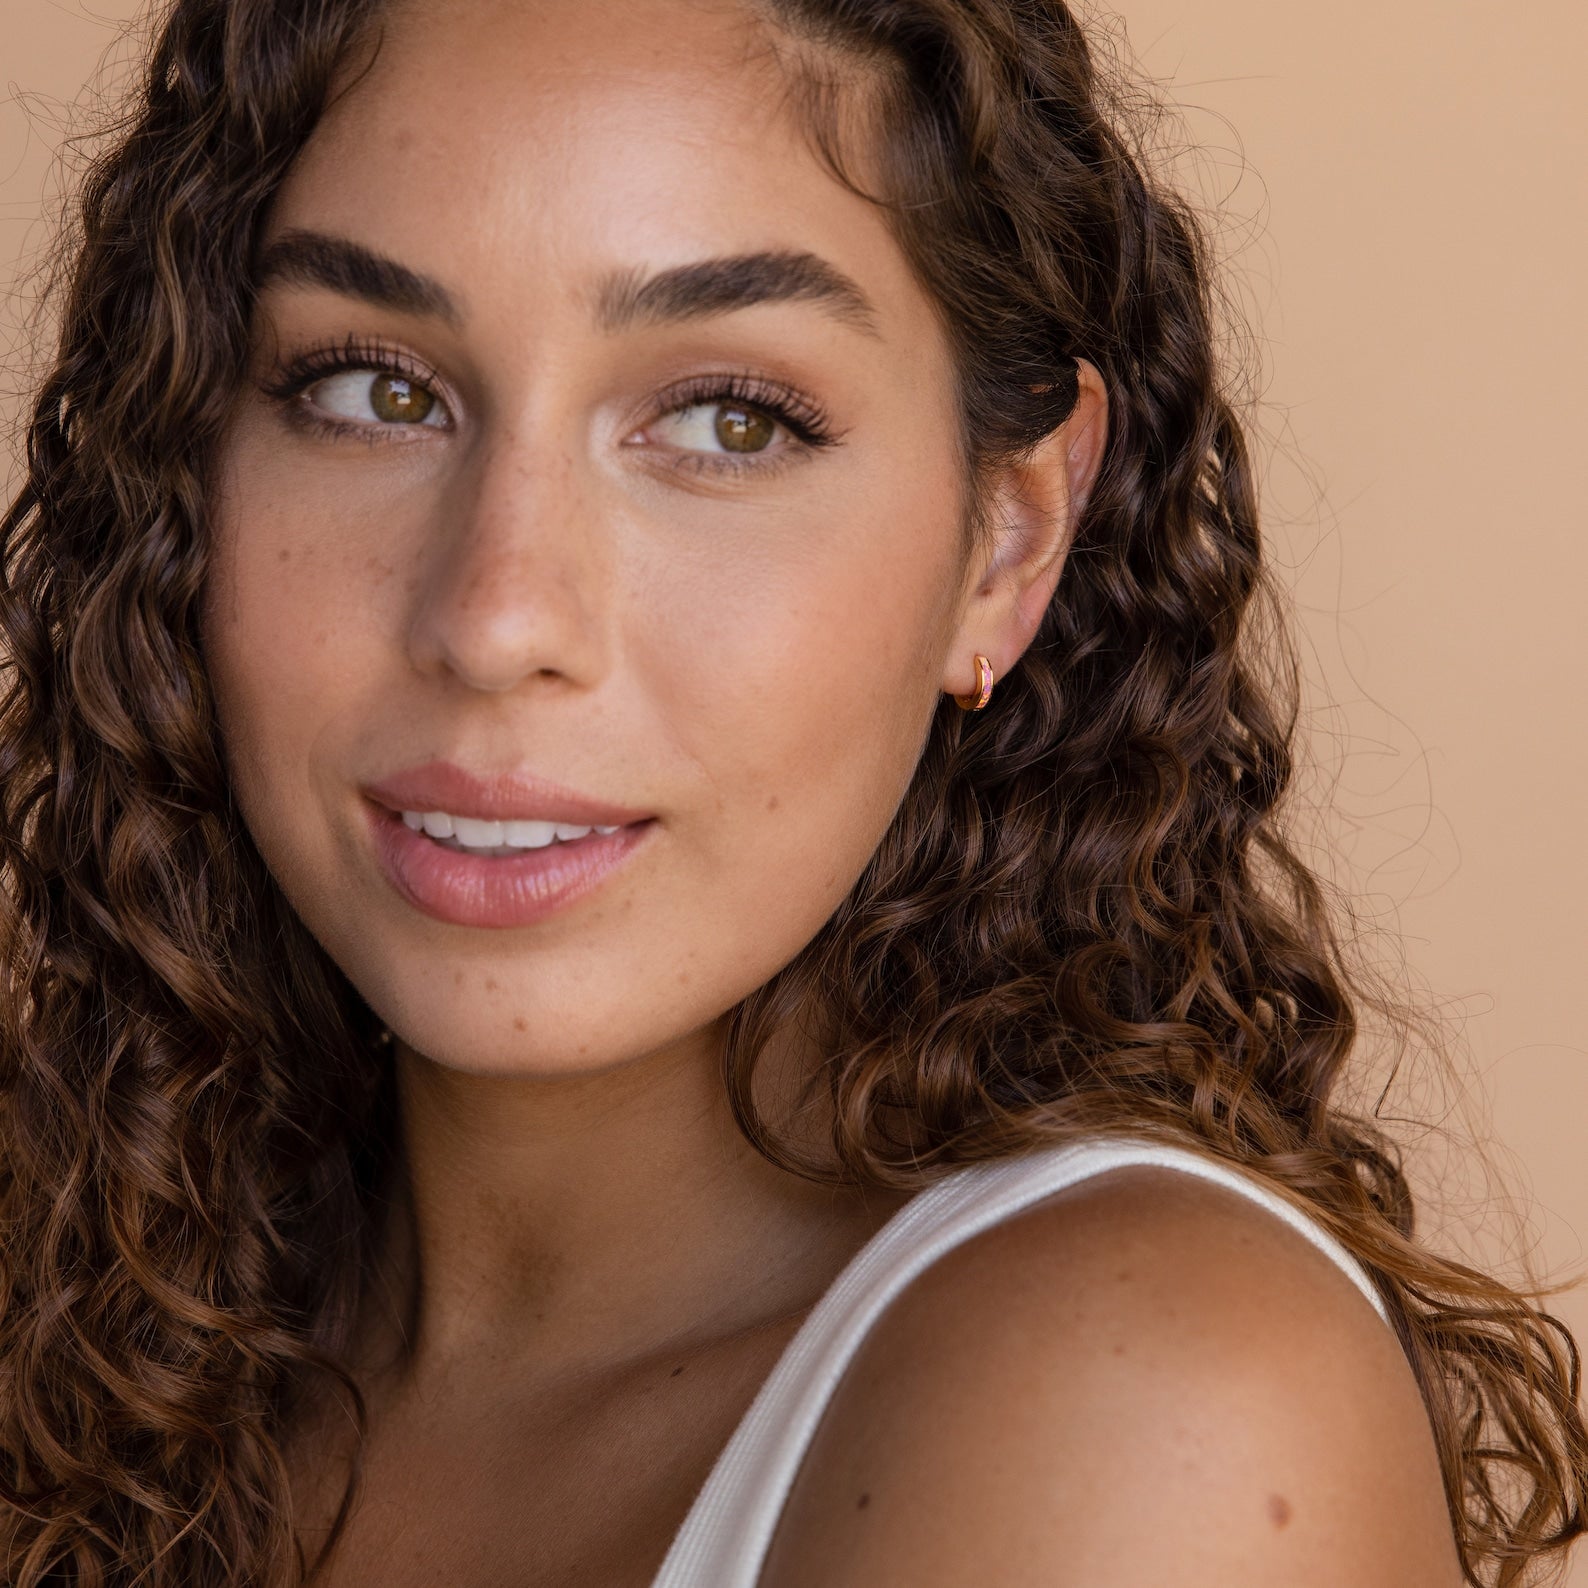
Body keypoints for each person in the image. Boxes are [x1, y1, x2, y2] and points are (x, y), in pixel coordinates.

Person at [1, 0, 1583, 1582]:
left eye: (726, 420)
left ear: (1008, 541)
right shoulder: (106, 1305)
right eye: (374, 392)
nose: (496, 618)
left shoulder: (1148, 1406)